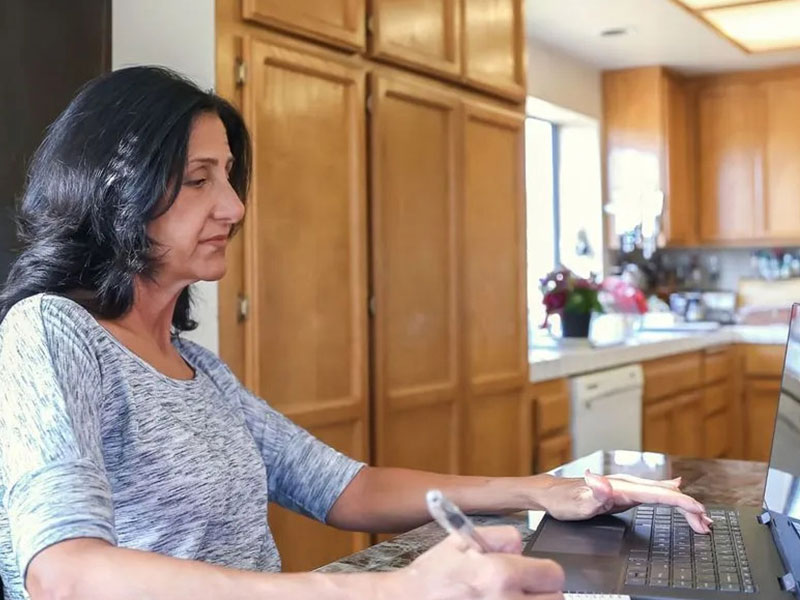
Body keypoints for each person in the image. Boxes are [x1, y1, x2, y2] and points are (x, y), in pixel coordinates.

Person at [0, 66, 711, 600]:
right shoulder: (53, 331)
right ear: (115, 192)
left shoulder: (193, 366)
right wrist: (381, 589)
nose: (234, 204)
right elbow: (64, 571)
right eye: (197, 179)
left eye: (230, 176)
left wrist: (545, 491)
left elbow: (345, 489)